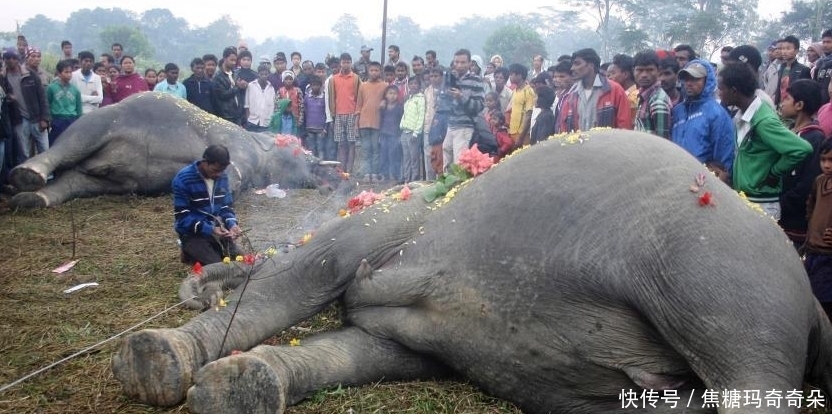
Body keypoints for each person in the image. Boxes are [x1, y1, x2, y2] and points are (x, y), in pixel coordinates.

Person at [718, 62, 812, 219]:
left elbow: (802, 148)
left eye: (721, 88)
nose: (718, 93)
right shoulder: (743, 116)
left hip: (761, 203)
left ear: (734, 91)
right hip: (747, 199)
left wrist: (775, 172)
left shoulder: (764, 121)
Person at [172, 144, 242, 265]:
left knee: (242, 260)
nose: (218, 175)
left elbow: (226, 207)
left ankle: (205, 249)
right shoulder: (183, 179)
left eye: (222, 171)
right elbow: (182, 217)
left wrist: (232, 224)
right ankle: (188, 249)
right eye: (215, 170)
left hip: (215, 229)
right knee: (218, 267)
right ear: (205, 162)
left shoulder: (222, 177)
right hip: (192, 233)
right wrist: (210, 229)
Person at [778, 79, 826, 248]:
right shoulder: (789, 133)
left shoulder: (815, 138)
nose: (781, 103)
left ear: (799, 105)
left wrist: (778, 204)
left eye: (786, 99)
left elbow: (806, 186)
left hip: (794, 222)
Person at [670, 60, 735, 183]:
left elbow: (723, 156)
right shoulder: (677, 111)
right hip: (677, 177)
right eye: (686, 79)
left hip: (702, 181)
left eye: (695, 79)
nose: (689, 83)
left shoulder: (716, 113)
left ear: (707, 81)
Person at [559, 48, 632, 132]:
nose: (572, 68)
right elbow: (563, 127)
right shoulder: (571, 95)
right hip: (579, 144)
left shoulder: (614, 90)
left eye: (577, 64)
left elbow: (624, 126)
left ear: (591, 65)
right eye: (572, 65)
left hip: (607, 144)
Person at [4, 48, 49, 165]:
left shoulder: (30, 74)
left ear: (18, 60)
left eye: (14, 58)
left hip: (36, 117)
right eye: (7, 58)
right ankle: (25, 177)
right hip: (19, 119)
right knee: (24, 152)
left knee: (44, 149)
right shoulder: (3, 78)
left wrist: (45, 118)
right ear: (4, 60)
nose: (11, 61)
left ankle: (48, 176)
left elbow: (42, 97)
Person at [442, 49, 485, 170]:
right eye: (457, 62)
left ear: (469, 63)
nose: (459, 65)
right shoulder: (452, 78)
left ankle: (459, 188)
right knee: (447, 160)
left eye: (463, 62)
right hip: (451, 124)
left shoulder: (475, 80)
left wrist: (461, 97)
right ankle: (448, 187)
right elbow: (445, 103)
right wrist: (445, 95)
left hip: (465, 126)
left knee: (460, 163)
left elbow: (479, 106)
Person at [326, 53, 361, 173]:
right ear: (340, 63)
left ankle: (349, 170)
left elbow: (359, 97)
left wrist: (357, 115)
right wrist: (332, 115)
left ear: (351, 63)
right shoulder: (333, 79)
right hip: (339, 115)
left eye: (348, 62)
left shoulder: (356, 78)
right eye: (343, 62)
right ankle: (341, 170)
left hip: (352, 113)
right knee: (341, 143)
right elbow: (331, 97)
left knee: (351, 143)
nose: (346, 64)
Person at [355, 61, 388, 181]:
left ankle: (374, 173)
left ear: (380, 72)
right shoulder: (363, 86)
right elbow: (359, 105)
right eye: (371, 70)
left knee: (375, 149)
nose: (374, 73)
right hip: (364, 123)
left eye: (376, 70)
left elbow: (388, 101)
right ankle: (366, 173)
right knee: (366, 149)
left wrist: (385, 102)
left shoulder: (385, 86)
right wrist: (356, 123)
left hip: (377, 122)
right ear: (368, 71)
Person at [632, 50, 671, 139]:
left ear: (659, 71)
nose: (644, 75)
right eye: (640, 70)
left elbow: (662, 141)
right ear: (633, 71)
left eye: (650, 70)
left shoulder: (658, 101)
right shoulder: (645, 96)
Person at [46, 60, 82, 145]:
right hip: (57, 120)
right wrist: (49, 120)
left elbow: (79, 108)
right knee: (55, 143)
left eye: (70, 72)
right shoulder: (51, 88)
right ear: (59, 73)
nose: (69, 75)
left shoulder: (75, 90)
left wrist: (78, 121)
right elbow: (48, 104)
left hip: (71, 119)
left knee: (70, 144)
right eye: (66, 72)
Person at [399, 76, 426, 183]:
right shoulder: (409, 99)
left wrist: (416, 133)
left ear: (419, 85)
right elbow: (405, 114)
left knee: (414, 157)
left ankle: (415, 179)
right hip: (404, 132)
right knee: (406, 157)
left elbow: (421, 117)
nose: (413, 86)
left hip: (413, 133)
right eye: (411, 84)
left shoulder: (420, 99)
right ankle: (407, 178)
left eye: (415, 84)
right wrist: (401, 125)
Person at [774, 35, 812, 107]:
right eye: (783, 48)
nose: (784, 52)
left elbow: (806, 94)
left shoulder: (803, 70)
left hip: (794, 108)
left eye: (788, 49)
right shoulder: (781, 68)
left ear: (796, 51)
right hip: (779, 107)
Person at [213, 47, 245, 124]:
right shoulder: (218, 77)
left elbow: (240, 95)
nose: (234, 63)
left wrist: (243, 86)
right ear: (224, 58)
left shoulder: (236, 74)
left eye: (235, 60)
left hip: (238, 116)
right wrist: (237, 87)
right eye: (231, 60)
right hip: (226, 117)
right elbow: (222, 95)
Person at [507, 63, 535, 149]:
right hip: (512, 132)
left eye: (512, 74)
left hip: (522, 134)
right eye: (510, 74)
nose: (510, 77)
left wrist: (521, 137)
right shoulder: (515, 90)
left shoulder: (528, 91)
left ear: (520, 75)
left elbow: (528, 115)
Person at [379, 85, 403, 181]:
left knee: (394, 155)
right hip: (384, 134)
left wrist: (399, 135)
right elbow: (380, 120)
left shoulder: (400, 107)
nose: (392, 96)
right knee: (383, 154)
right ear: (386, 95)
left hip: (394, 134)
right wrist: (380, 134)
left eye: (394, 94)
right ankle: (384, 174)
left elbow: (401, 121)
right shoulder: (383, 107)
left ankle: (394, 174)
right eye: (390, 93)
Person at [243, 64, 275, 133]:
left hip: (266, 124)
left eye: (266, 74)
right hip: (252, 122)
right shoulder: (251, 86)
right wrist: (248, 119)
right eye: (261, 74)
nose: (264, 76)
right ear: (258, 74)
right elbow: (247, 104)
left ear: (269, 74)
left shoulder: (271, 88)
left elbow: (273, 105)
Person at [71, 50, 103, 115]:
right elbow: (73, 96)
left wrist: (80, 97)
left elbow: (100, 99)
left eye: (91, 61)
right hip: (76, 112)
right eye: (86, 61)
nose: (88, 63)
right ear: (80, 62)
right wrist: (92, 98)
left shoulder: (97, 78)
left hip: (92, 113)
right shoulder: (73, 76)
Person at [304, 76, 327, 158]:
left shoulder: (324, 97)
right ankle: (312, 168)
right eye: (313, 85)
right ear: (310, 86)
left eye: (317, 85)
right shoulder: (307, 97)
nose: (315, 87)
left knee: (320, 148)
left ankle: (321, 168)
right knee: (311, 149)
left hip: (320, 129)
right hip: (309, 128)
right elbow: (305, 111)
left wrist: (325, 128)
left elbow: (326, 113)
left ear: (321, 86)